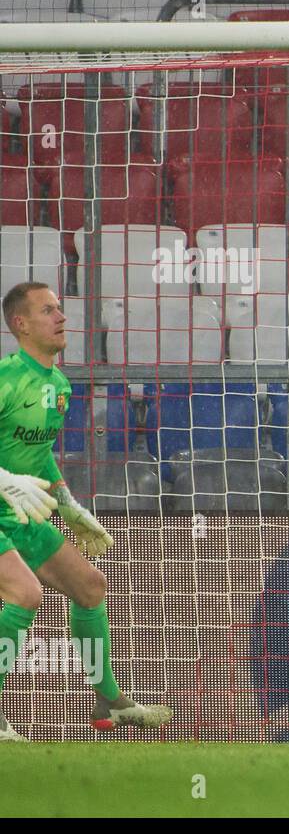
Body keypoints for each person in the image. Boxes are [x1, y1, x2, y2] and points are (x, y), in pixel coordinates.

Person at [0, 282, 173, 742]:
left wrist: (67, 500)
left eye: (60, 308)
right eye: (47, 310)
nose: (61, 317)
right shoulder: (4, 378)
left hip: (24, 512)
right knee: (24, 593)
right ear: (21, 324)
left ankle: (109, 701)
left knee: (91, 587)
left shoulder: (58, 384)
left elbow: (39, 453)